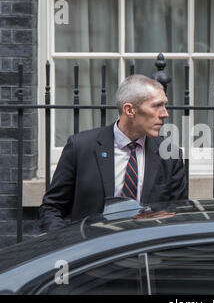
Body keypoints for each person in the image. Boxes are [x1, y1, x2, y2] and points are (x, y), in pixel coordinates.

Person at [39, 75, 187, 232]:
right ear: (129, 110)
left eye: (164, 105)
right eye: (157, 106)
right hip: (94, 252)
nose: (165, 114)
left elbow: (178, 213)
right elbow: (52, 208)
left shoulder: (170, 154)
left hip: (148, 252)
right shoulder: (80, 147)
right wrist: (66, 245)